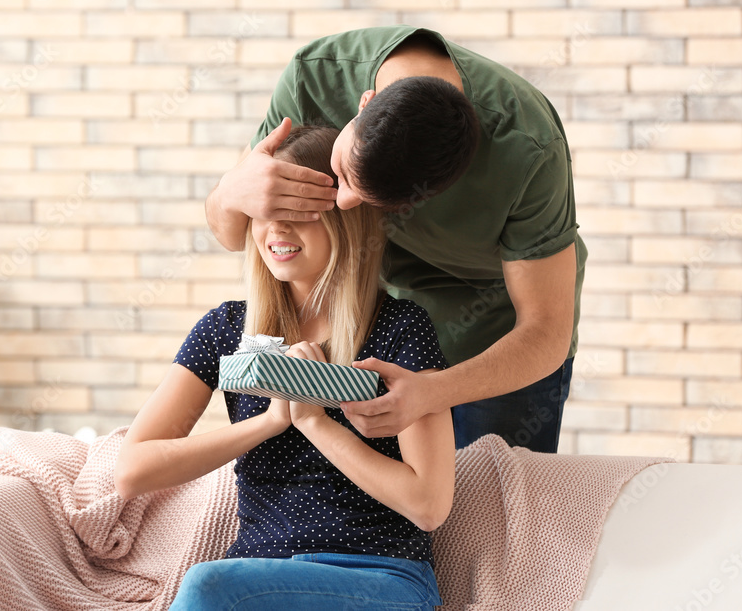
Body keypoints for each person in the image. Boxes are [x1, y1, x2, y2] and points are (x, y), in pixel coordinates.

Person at [116, 126, 455, 611]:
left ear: (344, 222)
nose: (276, 231)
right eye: (263, 213)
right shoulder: (224, 328)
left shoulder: (400, 328)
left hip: (380, 578)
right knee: (216, 586)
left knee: (206, 587)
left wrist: (315, 421)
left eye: (298, 214)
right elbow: (132, 471)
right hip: (256, 579)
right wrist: (270, 421)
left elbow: (429, 504)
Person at [205, 25, 588, 453]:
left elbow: (545, 329)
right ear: (363, 103)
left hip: (495, 332)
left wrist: (431, 391)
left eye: (376, 202)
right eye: (344, 173)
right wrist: (230, 193)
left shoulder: (529, 148)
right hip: (372, 321)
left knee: (494, 500)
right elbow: (233, 236)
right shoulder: (311, 81)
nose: (344, 202)